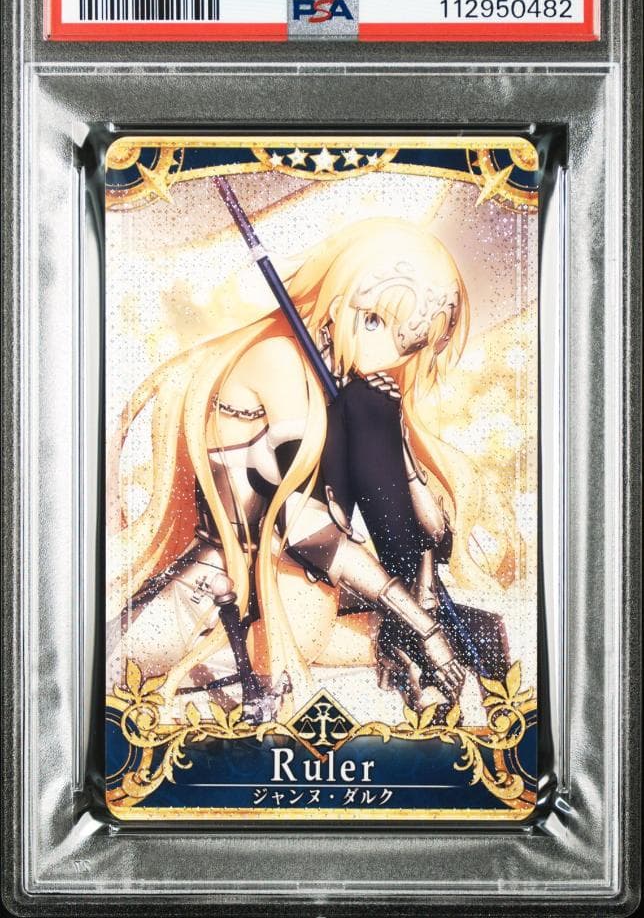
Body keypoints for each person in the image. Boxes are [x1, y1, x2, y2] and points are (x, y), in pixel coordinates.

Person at [108, 216, 511, 720]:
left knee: (369, 406)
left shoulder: (352, 389)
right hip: (219, 597)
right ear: (340, 301)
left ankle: (418, 640)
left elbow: (429, 527)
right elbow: (303, 528)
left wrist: (422, 590)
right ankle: (412, 635)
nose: (387, 352)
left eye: (408, 343)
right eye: (373, 321)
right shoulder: (279, 359)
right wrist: (421, 624)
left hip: (294, 592)